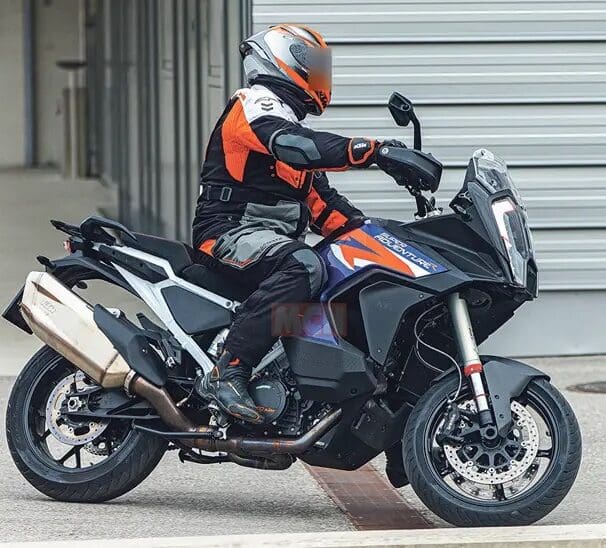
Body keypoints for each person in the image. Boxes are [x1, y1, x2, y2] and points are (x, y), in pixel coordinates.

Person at [192, 24, 405, 425]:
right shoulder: (255, 104)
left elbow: (326, 210)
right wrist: (373, 152)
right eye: (313, 63)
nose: (322, 74)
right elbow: (299, 146)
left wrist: (383, 239)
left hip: (266, 240)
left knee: (344, 275)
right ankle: (229, 369)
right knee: (305, 265)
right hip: (227, 232)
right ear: (282, 58)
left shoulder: (288, 129)